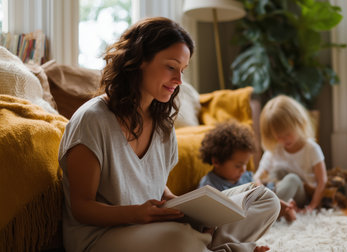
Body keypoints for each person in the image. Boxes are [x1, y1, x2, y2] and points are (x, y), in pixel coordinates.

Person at [58, 17, 279, 252]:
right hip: (100, 237)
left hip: (153, 229)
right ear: (139, 60)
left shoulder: (163, 125)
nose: (179, 80)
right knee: (178, 238)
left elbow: (156, 187)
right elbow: (82, 208)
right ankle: (225, 248)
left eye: (182, 70)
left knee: (264, 200)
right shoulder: (92, 119)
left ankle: (207, 245)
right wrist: (136, 214)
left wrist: (190, 212)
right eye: (171, 67)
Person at [198, 121, 297, 222]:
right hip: (244, 216)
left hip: (264, 201)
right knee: (269, 203)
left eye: (245, 164)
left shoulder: (245, 176)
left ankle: (284, 207)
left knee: (285, 184)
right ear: (216, 161)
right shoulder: (208, 186)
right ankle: (278, 210)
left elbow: (262, 190)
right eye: (238, 166)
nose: (243, 169)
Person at [253, 95, 328, 213]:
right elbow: (258, 177)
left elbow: (322, 180)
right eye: (279, 137)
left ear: (299, 123)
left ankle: (269, 210)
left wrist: (312, 206)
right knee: (277, 172)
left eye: (288, 134)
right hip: (276, 192)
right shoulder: (274, 150)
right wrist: (260, 186)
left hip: (300, 196)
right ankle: (274, 208)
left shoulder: (311, 148)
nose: (284, 140)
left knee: (292, 179)